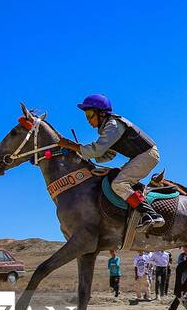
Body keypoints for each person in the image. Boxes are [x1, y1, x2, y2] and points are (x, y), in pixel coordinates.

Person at [57, 93, 164, 230]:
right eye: (86, 116)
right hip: (142, 156)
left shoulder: (113, 125)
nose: (88, 120)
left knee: (119, 184)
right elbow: (108, 155)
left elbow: (96, 151)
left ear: (101, 113)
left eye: (90, 114)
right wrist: (83, 153)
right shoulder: (107, 128)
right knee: (113, 177)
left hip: (147, 155)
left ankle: (150, 214)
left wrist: (72, 145)